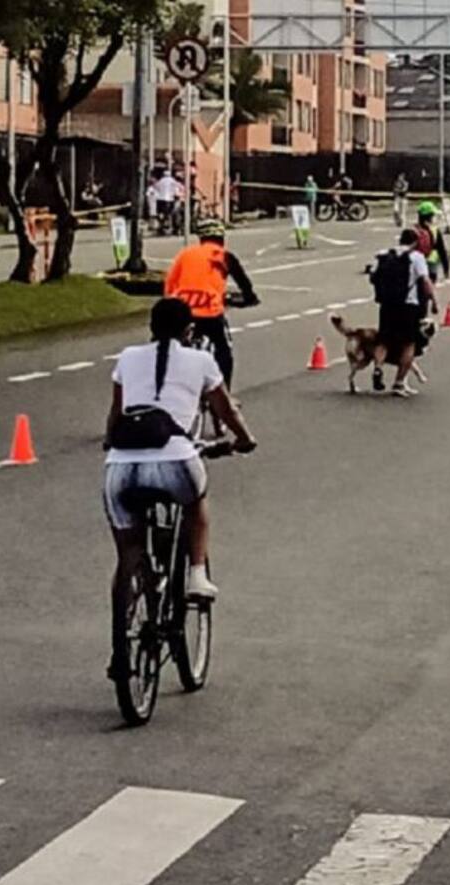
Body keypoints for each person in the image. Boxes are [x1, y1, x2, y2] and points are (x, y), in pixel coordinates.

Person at [103, 298, 256, 607]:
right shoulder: (201, 361)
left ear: (151, 328)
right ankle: (197, 574)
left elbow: (115, 415)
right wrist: (244, 439)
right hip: (175, 460)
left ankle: (123, 637)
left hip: (120, 467)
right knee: (196, 501)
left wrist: (110, 442)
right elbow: (225, 411)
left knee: (127, 553)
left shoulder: (128, 357)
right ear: (189, 331)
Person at [164, 220, 260, 392]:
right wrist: (249, 299)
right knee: (223, 351)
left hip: (182, 311)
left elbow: (170, 285)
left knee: (167, 345)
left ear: (201, 238)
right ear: (222, 238)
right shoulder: (223, 256)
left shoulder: (185, 254)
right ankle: (226, 395)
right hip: (209, 312)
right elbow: (244, 283)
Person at [370, 228, 438, 397]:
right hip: (408, 305)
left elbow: (373, 276)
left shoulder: (385, 254)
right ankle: (399, 383)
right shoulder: (416, 257)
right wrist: (434, 300)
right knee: (409, 344)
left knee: (383, 340)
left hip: (387, 304)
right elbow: (425, 280)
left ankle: (378, 368)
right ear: (416, 242)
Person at [414, 201, 450, 284]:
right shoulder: (434, 230)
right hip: (431, 265)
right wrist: (446, 268)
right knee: (428, 288)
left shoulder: (414, 230)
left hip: (415, 266)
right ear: (429, 217)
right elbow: (442, 250)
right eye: (433, 216)